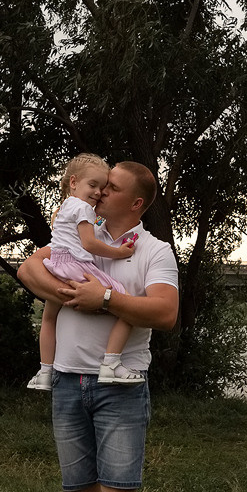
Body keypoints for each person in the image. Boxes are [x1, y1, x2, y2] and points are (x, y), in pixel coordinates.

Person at [17, 160, 179, 492]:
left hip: (120, 385)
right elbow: (28, 269)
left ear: (136, 202)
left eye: (113, 187)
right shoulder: (77, 231)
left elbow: (165, 312)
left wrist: (104, 299)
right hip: (67, 380)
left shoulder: (154, 250)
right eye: (101, 185)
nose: (102, 191)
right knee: (78, 491)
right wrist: (69, 293)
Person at [28, 154, 143, 390]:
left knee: (49, 318)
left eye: (102, 188)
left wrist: (98, 222)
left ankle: (44, 371)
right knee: (125, 302)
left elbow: (77, 232)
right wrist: (119, 252)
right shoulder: (83, 208)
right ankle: (111, 363)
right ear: (73, 182)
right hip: (76, 265)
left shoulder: (65, 206)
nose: (99, 192)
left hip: (57, 264)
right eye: (93, 185)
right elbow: (89, 244)